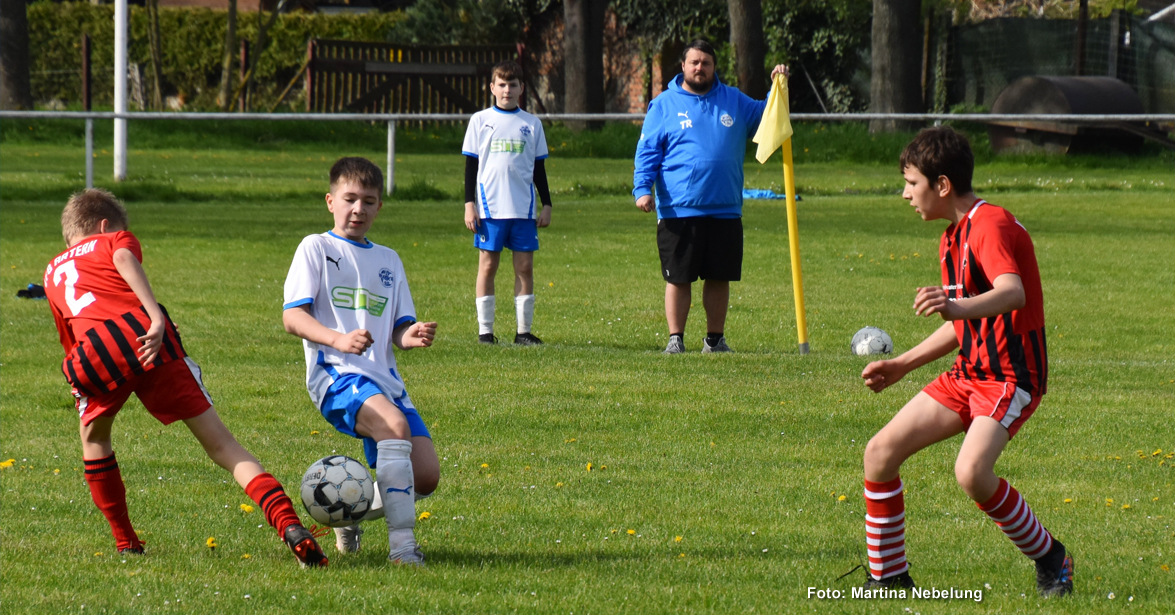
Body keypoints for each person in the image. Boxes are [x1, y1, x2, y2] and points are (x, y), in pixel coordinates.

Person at [45, 188, 327, 567]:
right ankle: (289, 525)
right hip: (145, 337)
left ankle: (126, 542)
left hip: (93, 353)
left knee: (95, 440)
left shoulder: (52, 270)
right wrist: (156, 316)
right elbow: (124, 257)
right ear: (104, 224)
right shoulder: (114, 238)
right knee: (224, 447)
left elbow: (71, 334)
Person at [858, 127, 1072, 597]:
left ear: (942, 184)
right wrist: (902, 365)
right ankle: (889, 577)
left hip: (1010, 377)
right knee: (879, 454)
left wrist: (956, 306)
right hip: (969, 373)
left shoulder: (989, 223)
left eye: (911, 182)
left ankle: (1052, 557)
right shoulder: (952, 238)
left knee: (971, 473)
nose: (905, 193)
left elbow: (1010, 291)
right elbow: (963, 324)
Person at [282, 157, 440, 565]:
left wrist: (412, 334)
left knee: (424, 476)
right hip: (335, 376)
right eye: (350, 199)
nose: (359, 209)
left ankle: (346, 510)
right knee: (394, 426)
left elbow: (397, 330)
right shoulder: (316, 248)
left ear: (379, 207)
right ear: (330, 201)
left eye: (369, 201)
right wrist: (338, 339)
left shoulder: (389, 259)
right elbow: (292, 317)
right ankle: (404, 549)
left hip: (385, 381)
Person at [633, 39, 788, 354]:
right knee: (679, 278)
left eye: (705, 62)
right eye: (694, 62)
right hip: (679, 210)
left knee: (719, 276)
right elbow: (647, 151)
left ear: (714, 66)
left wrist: (779, 87)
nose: (699, 68)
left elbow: (768, 117)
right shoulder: (664, 105)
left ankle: (715, 340)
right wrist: (642, 188)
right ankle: (676, 339)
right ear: (683, 66)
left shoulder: (733, 100)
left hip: (725, 208)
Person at [462, 60, 552, 345]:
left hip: (523, 208)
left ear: (521, 88)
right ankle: (485, 332)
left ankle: (523, 332)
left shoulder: (532, 124)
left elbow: (538, 169)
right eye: (501, 84)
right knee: (487, 267)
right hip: (490, 208)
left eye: (513, 85)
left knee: (524, 267)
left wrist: (547, 204)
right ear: (492, 88)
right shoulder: (480, 120)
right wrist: (469, 204)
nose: (507, 90)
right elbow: (471, 167)